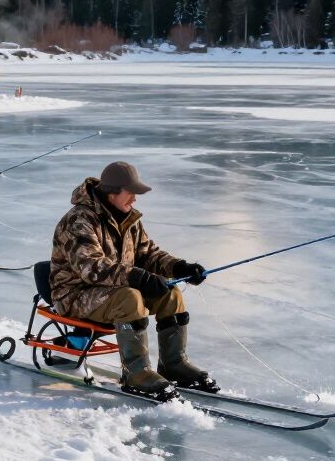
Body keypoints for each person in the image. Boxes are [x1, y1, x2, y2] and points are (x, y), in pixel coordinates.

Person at [49, 160, 216, 399]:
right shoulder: (79, 221)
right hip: (74, 293)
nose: (135, 199)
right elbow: (91, 268)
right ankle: (136, 373)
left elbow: (148, 254)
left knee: (171, 292)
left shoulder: (128, 219)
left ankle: (174, 364)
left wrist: (180, 267)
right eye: (131, 193)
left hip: (109, 289)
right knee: (130, 298)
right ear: (112, 192)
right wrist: (136, 275)